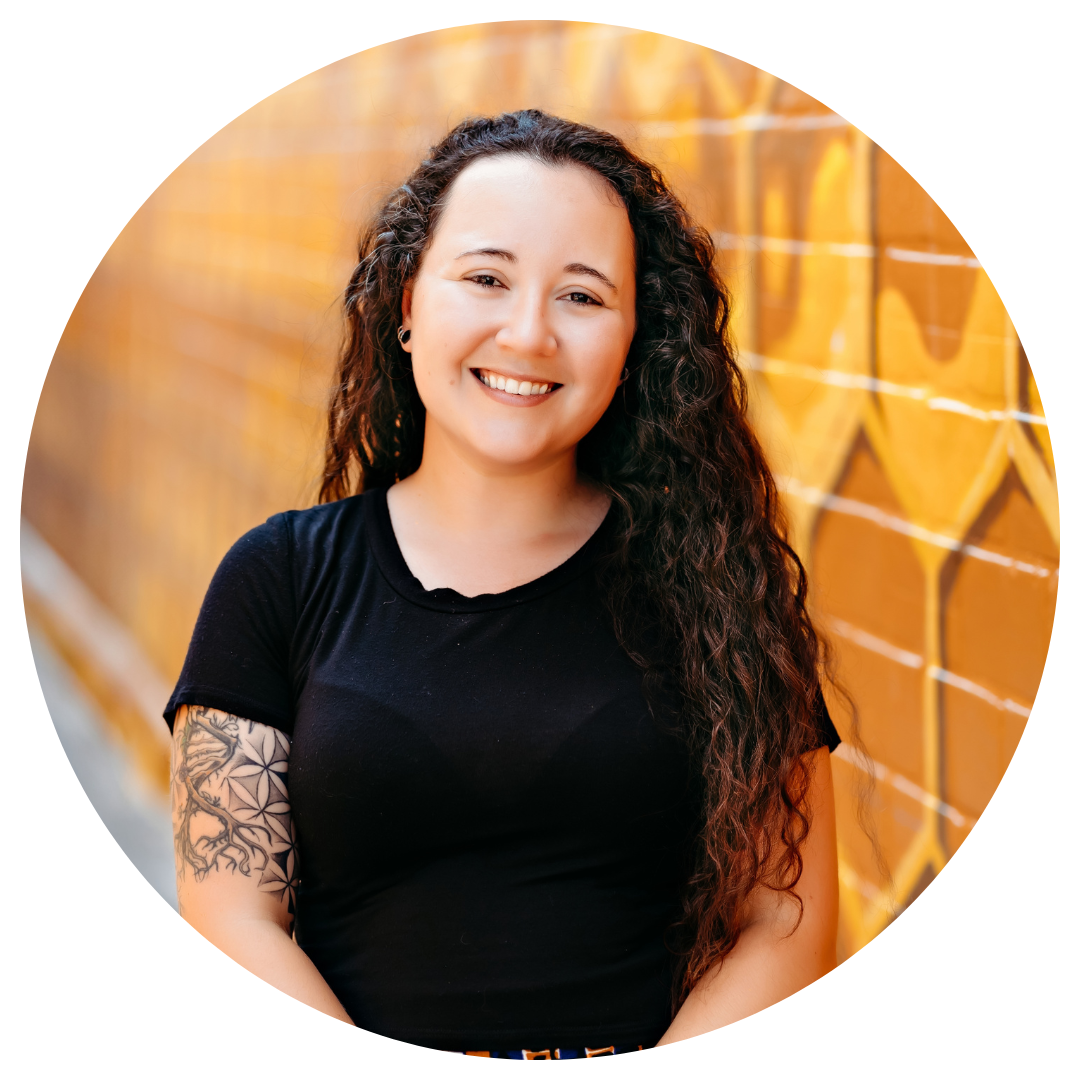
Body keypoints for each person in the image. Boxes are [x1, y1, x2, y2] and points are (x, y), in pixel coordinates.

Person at [165, 109, 840, 1057]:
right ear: (407, 302)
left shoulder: (720, 592)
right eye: (486, 279)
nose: (528, 335)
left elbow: (786, 923)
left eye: (583, 296)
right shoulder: (277, 578)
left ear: (637, 337)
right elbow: (230, 912)